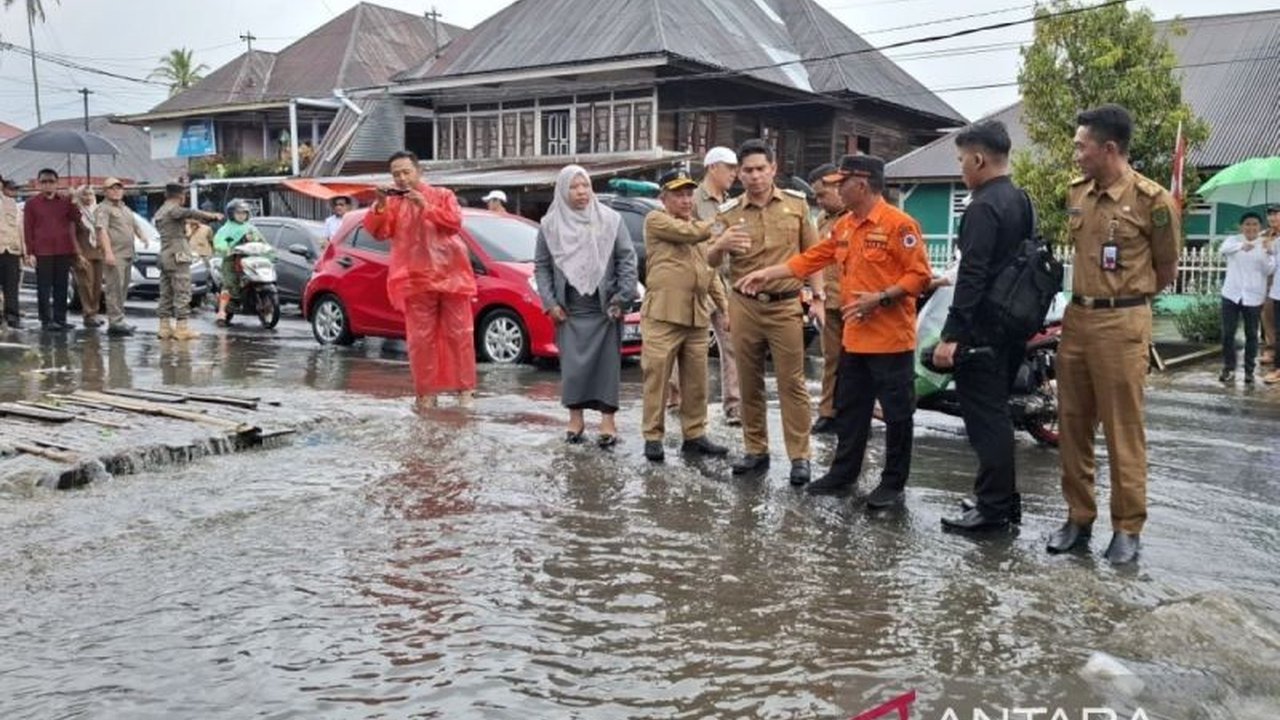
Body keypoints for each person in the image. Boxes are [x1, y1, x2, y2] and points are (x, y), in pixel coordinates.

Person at [736, 155, 931, 508]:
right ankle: (843, 474)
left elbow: (919, 277)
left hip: (891, 341)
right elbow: (811, 259)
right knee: (850, 410)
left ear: (862, 183)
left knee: (897, 415)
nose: (835, 188)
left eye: (841, 182)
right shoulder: (844, 226)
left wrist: (881, 298)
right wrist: (769, 273)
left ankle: (893, 484)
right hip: (855, 339)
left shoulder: (899, 224)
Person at [1047, 104, 1181, 566]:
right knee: (1073, 424)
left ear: (1108, 148)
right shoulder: (1077, 194)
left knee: (1123, 429)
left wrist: (1126, 300)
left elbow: (1165, 269)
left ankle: (1127, 528)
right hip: (1077, 319)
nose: (1076, 154)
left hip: (1123, 322)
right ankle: (1078, 517)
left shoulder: (1153, 200)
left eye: (1082, 146)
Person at [930, 119, 1034, 532]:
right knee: (998, 417)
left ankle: (992, 510)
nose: (961, 170)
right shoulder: (1022, 200)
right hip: (1013, 327)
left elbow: (971, 276)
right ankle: (1000, 500)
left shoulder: (983, 206)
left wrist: (952, 335)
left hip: (982, 331)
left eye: (960, 161)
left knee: (985, 421)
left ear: (977, 159)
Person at [706, 139, 824, 484]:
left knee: (792, 383)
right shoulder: (727, 213)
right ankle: (755, 449)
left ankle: (800, 456)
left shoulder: (796, 206)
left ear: (773, 169)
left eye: (761, 169)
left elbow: (813, 254)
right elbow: (709, 259)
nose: (755, 176)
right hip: (743, 306)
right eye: (748, 170)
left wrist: (818, 296)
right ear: (739, 174)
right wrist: (721, 245)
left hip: (785, 304)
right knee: (748, 381)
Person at [363, 150, 477, 411]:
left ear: (418, 171)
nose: (402, 178)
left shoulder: (442, 195)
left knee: (460, 334)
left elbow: (454, 223)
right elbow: (379, 232)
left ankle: (466, 390)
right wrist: (380, 205)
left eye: (406, 172)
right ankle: (425, 393)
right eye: (396, 174)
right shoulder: (392, 202)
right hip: (414, 279)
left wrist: (425, 205)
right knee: (419, 339)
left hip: (451, 276)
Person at [534, 164, 638, 446]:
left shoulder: (611, 220)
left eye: (585, 186)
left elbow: (627, 260)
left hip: (605, 308)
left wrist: (623, 298)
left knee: (607, 365)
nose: (581, 192)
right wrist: (550, 303)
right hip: (569, 309)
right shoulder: (550, 225)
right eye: (574, 186)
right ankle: (575, 418)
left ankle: (607, 421)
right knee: (572, 366)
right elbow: (542, 267)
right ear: (563, 190)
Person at [639, 168, 732, 463]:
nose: (686, 199)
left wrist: (725, 306)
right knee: (658, 377)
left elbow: (710, 271)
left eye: (689, 194)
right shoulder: (657, 220)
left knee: (697, 380)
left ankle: (694, 435)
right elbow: (688, 234)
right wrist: (720, 227)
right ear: (663, 197)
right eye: (678, 194)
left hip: (696, 314)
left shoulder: (698, 226)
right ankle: (653, 436)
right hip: (663, 315)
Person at [690, 146, 742, 426]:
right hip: (699, 279)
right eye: (729, 167)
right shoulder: (693, 199)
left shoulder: (730, 202)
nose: (734, 173)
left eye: (736, 168)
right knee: (691, 343)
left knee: (731, 342)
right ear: (712, 168)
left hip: (726, 281)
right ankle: (680, 399)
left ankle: (734, 406)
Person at [807, 162, 848, 435]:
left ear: (837, 186)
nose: (819, 201)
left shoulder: (856, 216)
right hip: (829, 300)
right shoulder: (822, 220)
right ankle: (828, 411)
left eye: (822, 194)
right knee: (831, 359)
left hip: (856, 302)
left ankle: (855, 414)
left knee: (856, 363)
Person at [152, 183, 223, 340]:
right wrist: (211, 216)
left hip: (164, 253)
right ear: (181, 196)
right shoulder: (174, 209)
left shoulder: (160, 210)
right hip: (178, 253)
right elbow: (189, 212)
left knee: (166, 292)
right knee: (183, 290)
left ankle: (164, 327)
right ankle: (181, 328)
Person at [1217, 212, 1274, 384]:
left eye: (1255, 224)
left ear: (1260, 227)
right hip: (1231, 295)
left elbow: (1269, 270)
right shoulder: (1233, 240)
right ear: (1241, 226)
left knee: (1252, 335)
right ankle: (1229, 368)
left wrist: (1265, 252)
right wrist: (1241, 246)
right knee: (1228, 333)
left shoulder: (1265, 244)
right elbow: (1223, 250)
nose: (1251, 228)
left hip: (1254, 297)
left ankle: (1249, 371)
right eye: (1247, 224)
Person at [23, 168, 80, 331]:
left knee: (61, 286)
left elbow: (77, 219)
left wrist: (74, 200)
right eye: (44, 181)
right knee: (44, 287)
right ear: (39, 183)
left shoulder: (65, 201)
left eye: (51, 181)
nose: (48, 185)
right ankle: (46, 320)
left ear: (57, 183)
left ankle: (60, 319)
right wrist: (30, 252)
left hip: (63, 249)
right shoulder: (32, 203)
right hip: (42, 251)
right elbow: (28, 228)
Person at [95, 178, 148, 337]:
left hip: (127, 253)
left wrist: (142, 236)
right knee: (114, 289)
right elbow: (101, 231)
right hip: (115, 254)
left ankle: (119, 320)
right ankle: (115, 322)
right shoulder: (103, 209)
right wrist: (108, 252)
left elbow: (134, 225)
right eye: (112, 188)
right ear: (105, 191)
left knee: (123, 289)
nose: (116, 191)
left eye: (119, 188)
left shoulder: (125, 208)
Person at [213, 200, 268, 326]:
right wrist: (227, 247)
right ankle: (221, 313)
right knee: (229, 285)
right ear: (231, 214)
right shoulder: (227, 230)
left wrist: (269, 251)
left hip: (250, 260)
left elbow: (262, 241)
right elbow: (222, 243)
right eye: (238, 213)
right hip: (232, 261)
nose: (242, 215)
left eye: (244, 213)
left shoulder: (251, 228)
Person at [71, 185, 105, 328]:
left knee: (97, 285)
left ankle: (95, 312)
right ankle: (88, 314)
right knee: (86, 285)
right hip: (83, 253)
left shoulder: (98, 212)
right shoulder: (75, 212)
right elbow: (71, 234)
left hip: (98, 252)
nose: (88, 197)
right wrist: (77, 253)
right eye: (84, 194)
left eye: (90, 194)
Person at [0, 177, 27, 329]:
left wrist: (25, 251)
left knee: (12, 286)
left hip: (12, 249)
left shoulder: (15, 206)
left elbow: (20, 229)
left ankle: (12, 315)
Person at [1261, 205, 1280, 371]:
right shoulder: (1265, 235)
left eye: (1276, 214)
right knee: (1268, 316)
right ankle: (1270, 348)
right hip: (1267, 282)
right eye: (1270, 215)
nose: (1273, 218)